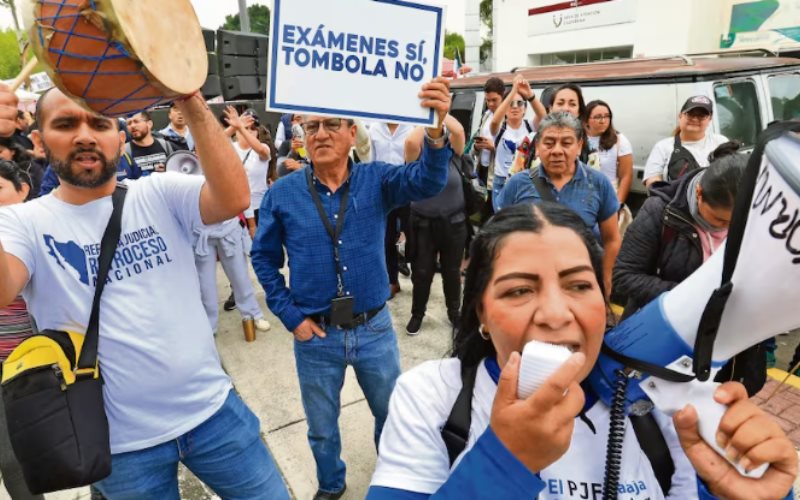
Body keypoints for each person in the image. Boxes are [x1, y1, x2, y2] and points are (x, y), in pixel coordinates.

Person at [366, 202, 798, 499]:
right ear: (481, 311)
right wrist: (507, 459)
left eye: (578, 286)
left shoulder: (659, 405)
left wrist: (734, 489)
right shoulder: (430, 397)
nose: (556, 314)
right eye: (519, 290)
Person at [0, 85, 289, 499]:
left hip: (215, 414)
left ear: (118, 136)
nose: (85, 135)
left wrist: (190, 99)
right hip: (121, 449)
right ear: (40, 140)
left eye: (99, 123)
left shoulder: (158, 192)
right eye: (65, 124)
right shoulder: (23, 223)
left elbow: (234, 198)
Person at [251, 77, 453, 500]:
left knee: (391, 415)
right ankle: (331, 484)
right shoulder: (282, 194)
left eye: (330, 125)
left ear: (350, 133)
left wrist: (436, 131)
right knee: (322, 427)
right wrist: (291, 318)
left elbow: (428, 181)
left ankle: (394, 478)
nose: (320, 133)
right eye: (311, 127)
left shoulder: (377, 180)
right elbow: (264, 260)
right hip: (316, 336)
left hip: (374, 330)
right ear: (302, 138)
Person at [613, 141, 766, 395]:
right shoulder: (660, 212)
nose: (725, 228)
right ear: (698, 193)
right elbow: (624, 277)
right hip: (659, 341)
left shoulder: (757, 219)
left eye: (737, 221)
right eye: (718, 220)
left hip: (720, 349)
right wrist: (693, 297)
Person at [497, 112, 621, 298]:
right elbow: (500, 236)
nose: (556, 150)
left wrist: (605, 279)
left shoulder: (598, 183)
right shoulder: (517, 184)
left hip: (578, 284)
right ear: (537, 146)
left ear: (579, 146)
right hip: (529, 282)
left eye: (566, 143)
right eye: (549, 143)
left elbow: (611, 239)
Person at [0, 161, 42, 500]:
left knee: (89, 439)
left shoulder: (46, 228)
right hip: (5, 366)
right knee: (11, 459)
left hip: (48, 358)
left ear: (23, 189)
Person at [403, 115, 467, 335]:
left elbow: (458, 131)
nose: (436, 137)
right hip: (422, 223)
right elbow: (411, 142)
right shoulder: (417, 156)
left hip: (454, 222)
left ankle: (454, 313)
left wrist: (440, 113)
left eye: (440, 133)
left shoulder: (453, 153)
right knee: (422, 271)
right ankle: (417, 314)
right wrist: (426, 117)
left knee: (451, 271)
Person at [370, 121, 415, 298]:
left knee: (412, 235)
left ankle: (418, 281)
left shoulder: (411, 129)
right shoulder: (375, 128)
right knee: (386, 239)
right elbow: (371, 161)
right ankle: (392, 281)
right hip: (383, 191)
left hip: (406, 189)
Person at [643, 96, 728, 187]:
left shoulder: (720, 142)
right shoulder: (662, 147)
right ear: (680, 116)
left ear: (710, 119)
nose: (695, 119)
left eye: (701, 116)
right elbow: (652, 181)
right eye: (690, 114)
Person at [488, 76, 538, 211]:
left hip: (526, 181)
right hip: (501, 182)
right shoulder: (499, 128)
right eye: (511, 104)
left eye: (520, 103)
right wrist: (513, 91)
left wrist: (531, 96)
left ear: (525, 109)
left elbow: (543, 117)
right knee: (503, 223)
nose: (515, 107)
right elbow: (494, 121)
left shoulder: (530, 126)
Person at [223, 106, 270, 238]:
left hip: (260, 209)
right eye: (245, 127)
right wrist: (234, 126)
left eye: (252, 129)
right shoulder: (230, 148)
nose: (248, 131)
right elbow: (214, 142)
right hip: (237, 211)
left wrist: (241, 128)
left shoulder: (263, 148)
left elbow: (262, 151)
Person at [126, 111, 173, 175]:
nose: (132, 126)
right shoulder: (125, 151)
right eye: (129, 123)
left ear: (149, 124)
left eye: (136, 121)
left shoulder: (166, 145)